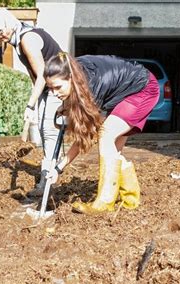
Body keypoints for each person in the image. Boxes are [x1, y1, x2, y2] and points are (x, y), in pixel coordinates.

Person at [44, 52, 160, 215]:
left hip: (143, 88)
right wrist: (67, 106)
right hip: (123, 91)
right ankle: (130, 197)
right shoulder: (74, 71)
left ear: (71, 77)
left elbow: (86, 137)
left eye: (58, 87)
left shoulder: (92, 87)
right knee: (113, 148)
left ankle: (105, 202)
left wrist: (59, 168)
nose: (55, 93)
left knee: (105, 136)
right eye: (50, 88)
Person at [0, 8, 63, 196]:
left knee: (49, 132)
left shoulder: (27, 39)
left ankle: (47, 184)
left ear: (9, 25)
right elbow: (37, 76)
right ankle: (49, 179)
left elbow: (41, 76)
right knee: (47, 134)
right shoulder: (20, 38)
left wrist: (30, 104)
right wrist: (38, 101)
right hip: (51, 87)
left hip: (59, 85)